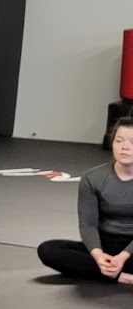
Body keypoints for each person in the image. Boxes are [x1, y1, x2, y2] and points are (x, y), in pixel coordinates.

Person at [35, 116, 133, 285]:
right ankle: (120, 276)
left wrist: (123, 256)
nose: (125, 147)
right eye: (119, 141)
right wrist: (98, 255)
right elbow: (88, 224)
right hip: (105, 243)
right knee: (48, 250)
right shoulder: (93, 177)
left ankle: (105, 271)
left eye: (132, 142)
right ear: (112, 143)